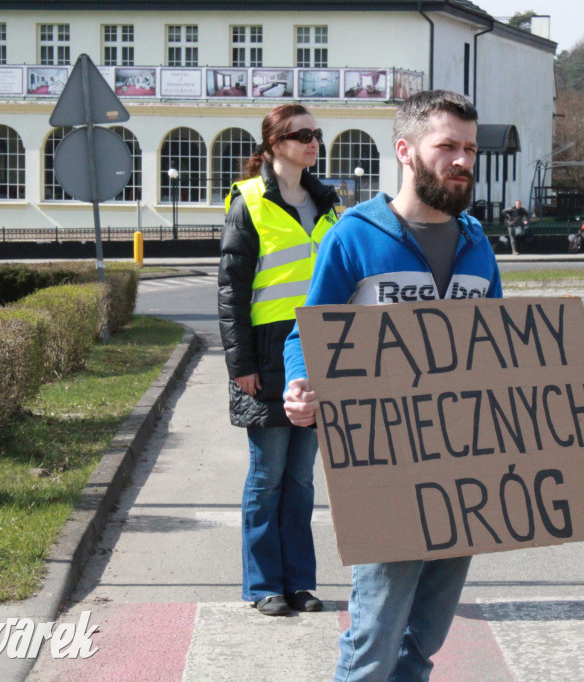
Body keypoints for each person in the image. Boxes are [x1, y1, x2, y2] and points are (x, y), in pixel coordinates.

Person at [283, 90, 584, 680]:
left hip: (465, 472)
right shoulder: (354, 237)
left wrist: (573, 375)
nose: (463, 160)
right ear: (406, 151)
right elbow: (303, 336)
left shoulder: (476, 244)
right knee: (374, 642)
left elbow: (503, 350)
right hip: (383, 471)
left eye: (469, 148)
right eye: (447, 147)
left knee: (423, 643)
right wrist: (299, 384)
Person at [218, 103, 338, 617]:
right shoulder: (248, 202)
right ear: (273, 146)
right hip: (266, 356)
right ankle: (264, 585)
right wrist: (239, 364)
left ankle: (301, 583)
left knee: (303, 478)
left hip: (318, 353)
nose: (313, 142)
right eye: (302, 134)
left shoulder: (330, 203)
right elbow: (230, 291)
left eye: (316, 134)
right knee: (267, 474)